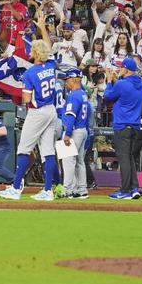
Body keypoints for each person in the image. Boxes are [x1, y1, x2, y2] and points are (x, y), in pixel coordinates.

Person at [0, 39, 61, 202]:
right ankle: (48, 190)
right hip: (51, 110)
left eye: (32, 50)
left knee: (23, 149)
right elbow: (48, 48)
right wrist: (41, 27)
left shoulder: (30, 73)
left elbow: (26, 98)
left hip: (37, 112)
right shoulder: (51, 65)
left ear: (36, 53)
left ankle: (16, 188)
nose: (30, 52)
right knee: (48, 151)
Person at [102, 58, 142, 200]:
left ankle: (125, 190)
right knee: (130, 157)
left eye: (121, 68)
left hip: (122, 125)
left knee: (124, 158)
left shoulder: (121, 84)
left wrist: (109, 82)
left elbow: (107, 97)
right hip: (135, 125)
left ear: (126, 69)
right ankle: (134, 188)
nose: (119, 69)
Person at [59, 69, 91, 199]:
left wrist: (67, 133)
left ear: (73, 80)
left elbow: (71, 116)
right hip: (82, 129)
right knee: (79, 161)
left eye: (66, 80)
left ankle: (68, 190)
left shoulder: (73, 96)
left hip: (74, 130)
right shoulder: (83, 94)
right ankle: (82, 189)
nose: (65, 83)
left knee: (68, 160)